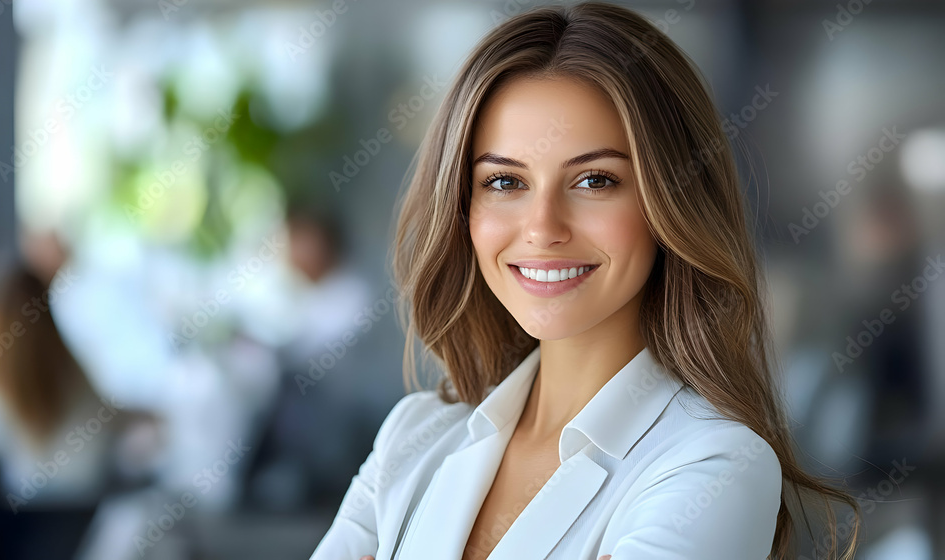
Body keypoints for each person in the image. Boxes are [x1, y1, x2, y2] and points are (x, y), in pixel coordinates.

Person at [312, 3, 860, 559]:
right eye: (504, 181)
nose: (543, 227)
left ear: (669, 203)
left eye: (595, 180)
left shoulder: (713, 463)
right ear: (464, 206)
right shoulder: (414, 436)